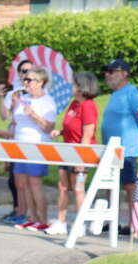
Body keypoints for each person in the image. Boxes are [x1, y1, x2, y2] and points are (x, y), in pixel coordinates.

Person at [46, 72, 100, 236]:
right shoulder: (74, 104)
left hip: (81, 153)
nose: (71, 87)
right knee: (62, 187)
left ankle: (80, 224)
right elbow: (71, 127)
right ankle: (61, 222)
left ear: (82, 87)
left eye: (74, 84)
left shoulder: (88, 106)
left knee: (78, 188)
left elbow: (87, 133)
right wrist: (60, 132)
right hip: (67, 151)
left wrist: (81, 159)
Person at [100, 58, 138, 237]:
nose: (108, 75)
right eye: (107, 71)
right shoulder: (114, 94)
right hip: (111, 148)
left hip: (126, 148)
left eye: (112, 71)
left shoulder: (132, 92)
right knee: (109, 184)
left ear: (124, 73)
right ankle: (113, 220)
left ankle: (134, 222)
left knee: (129, 185)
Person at [10, 66, 57, 232]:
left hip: (37, 145)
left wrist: (34, 115)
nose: (25, 82)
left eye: (29, 80)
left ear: (40, 82)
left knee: (35, 182)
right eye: (24, 79)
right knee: (23, 183)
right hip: (19, 144)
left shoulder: (47, 102)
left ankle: (43, 219)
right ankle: (32, 217)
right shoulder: (24, 98)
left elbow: (49, 127)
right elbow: (16, 121)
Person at [0, 60, 33, 222]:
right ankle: (17, 209)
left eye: (30, 72)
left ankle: (28, 212)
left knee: (26, 179)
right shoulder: (15, 94)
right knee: (13, 179)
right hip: (13, 139)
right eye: (23, 71)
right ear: (18, 74)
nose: (26, 75)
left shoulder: (36, 94)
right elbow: (5, 116)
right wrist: (1, 97)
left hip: (28, 139)